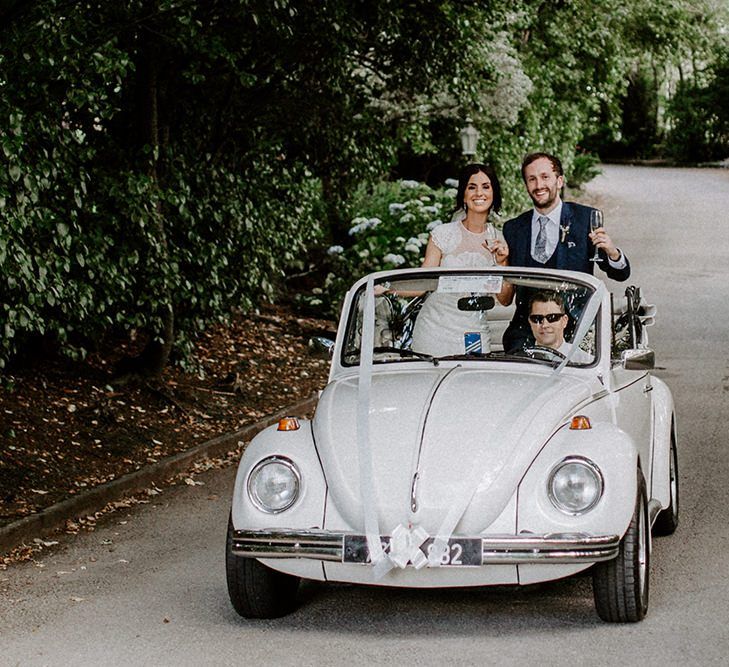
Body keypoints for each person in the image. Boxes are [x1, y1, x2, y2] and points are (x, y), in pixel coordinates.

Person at [501, 152, 631, 351]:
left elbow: (620, 273)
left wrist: (613, 253)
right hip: (526, 333)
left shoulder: (584, 219)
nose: (538, 185)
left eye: (545, 177)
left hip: (576, 330)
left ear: (559, 181)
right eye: (532, 179)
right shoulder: (513, 228)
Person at [409, 163, 511, 356]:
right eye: (472, 187)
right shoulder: (443, 234)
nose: (478, 193)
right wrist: (386, 287)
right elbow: (422, 283)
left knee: (474, 382)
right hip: (433, 330)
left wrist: (502, 263)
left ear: (494, 194)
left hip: (474, 333)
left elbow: (505, 300)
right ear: (463, 195)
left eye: (486, 187)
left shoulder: (500, 240)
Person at [527, 291, 593, 363]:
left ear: (564, 321)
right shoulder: (519, 360)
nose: (545, 325)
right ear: (530, 321)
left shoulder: (586, 362)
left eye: (552, 317)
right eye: (537, 318)